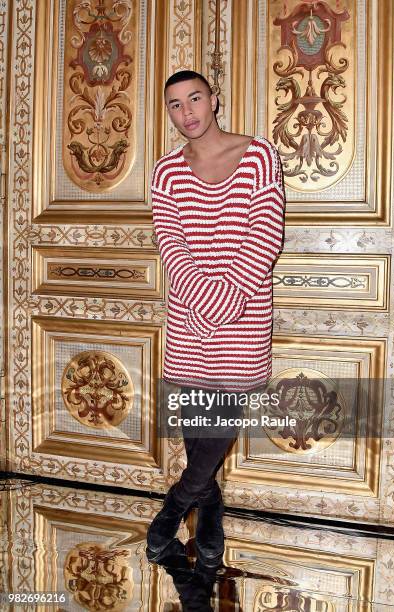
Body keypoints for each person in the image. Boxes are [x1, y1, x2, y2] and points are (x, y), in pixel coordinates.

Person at [147, 70, 286, 575]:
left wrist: (221, 310)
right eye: (175, 105)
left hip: (244, 316)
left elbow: (264, 239)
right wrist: (202, 310)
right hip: (187, 318)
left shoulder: (257, 156)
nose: (187, 112)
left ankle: (175, 505)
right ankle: (210, 513)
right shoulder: (166, 172)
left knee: (220, 423)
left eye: (195, 99)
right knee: (196, 428)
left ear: (214, 100)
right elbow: (172, 247)